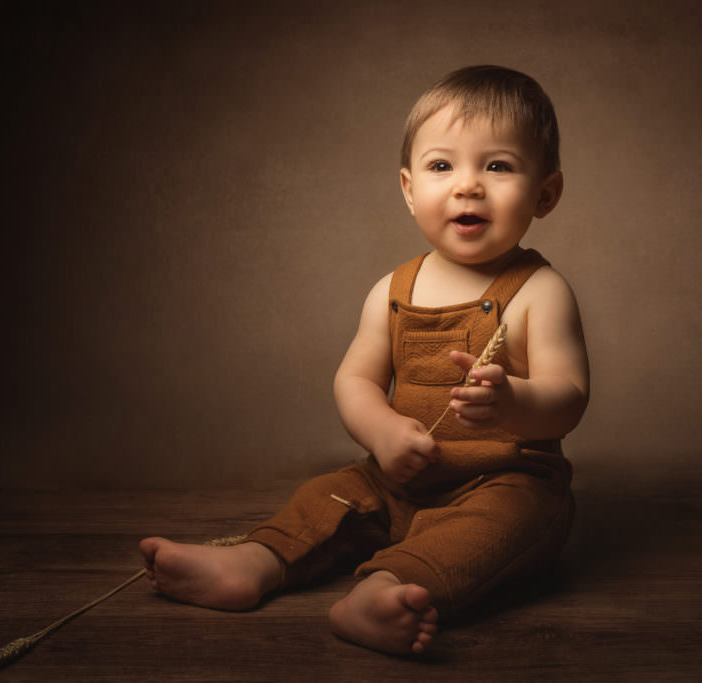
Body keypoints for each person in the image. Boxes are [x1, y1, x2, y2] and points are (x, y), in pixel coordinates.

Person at [139, 65, 590, 656]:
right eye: (441, 166)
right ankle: (254, 562)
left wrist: (514, 401)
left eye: (498, 166)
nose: (468, 186)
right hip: (396, 478)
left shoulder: (540, 291)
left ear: (546, 194)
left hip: (505, 482)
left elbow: (569, 396)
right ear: (409, 189)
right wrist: (381, 432)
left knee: (499, 527)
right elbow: (355, 379)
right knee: (329, 496)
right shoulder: (391, 290)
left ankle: (383, 591)